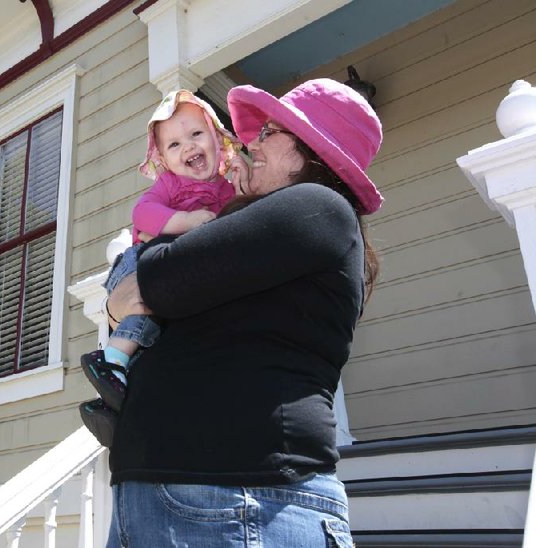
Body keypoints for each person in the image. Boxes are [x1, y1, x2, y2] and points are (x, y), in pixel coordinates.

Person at [98, 78, 384, 547]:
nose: (252, 142)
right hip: (179, 496)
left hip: (242, 501)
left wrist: (136, 281)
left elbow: (162, 279)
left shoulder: (319, 207)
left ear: (311, 150)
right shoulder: (271, 227)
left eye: (270, 132)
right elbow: (137, 295)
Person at [79, 90, 242, 428]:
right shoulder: (170, 184)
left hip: (174, 269)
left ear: (216, 138)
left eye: (196, 134)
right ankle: (110, 362)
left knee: (154, 336)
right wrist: (185, 222)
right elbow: (143, 212)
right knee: (145, 314)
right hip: (138, 261)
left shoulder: (226, 191)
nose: (189, 147)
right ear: (164, 162)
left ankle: (110, 401)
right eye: (175, 145)